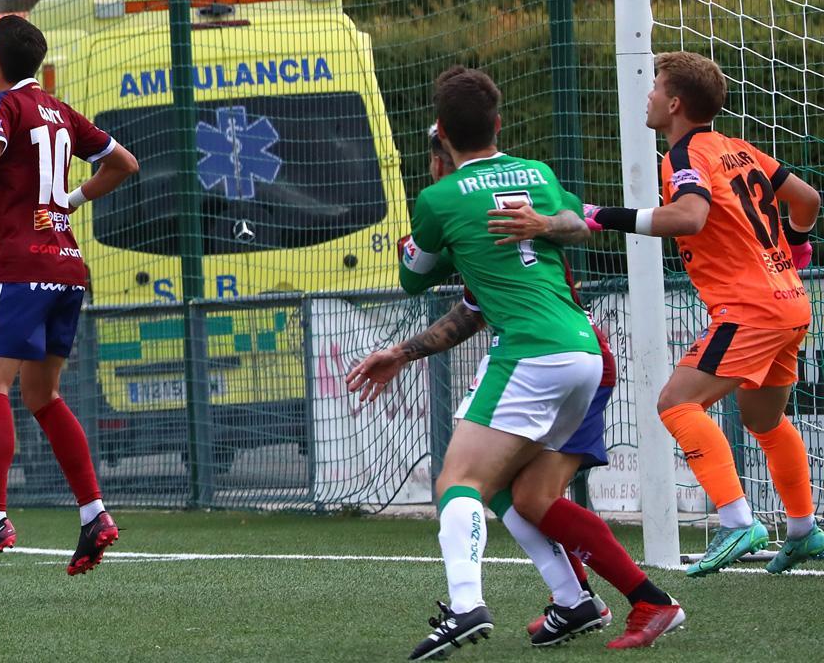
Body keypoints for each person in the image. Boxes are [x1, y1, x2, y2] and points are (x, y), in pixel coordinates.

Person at [351, 123, 683, 651]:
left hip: (548, 352)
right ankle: (583, 601)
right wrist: (403, 351)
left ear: (441, 155)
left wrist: (427, 235)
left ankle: (474, 605)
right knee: (522, 492)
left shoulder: (454, 203)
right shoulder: (524, 193)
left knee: (466, 482)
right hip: (577, 353)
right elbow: (472, 310)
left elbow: (417, 275)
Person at [491, 51, 821, 577]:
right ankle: (802, 530)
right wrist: (798, 249)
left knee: (675, 403)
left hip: (751, 308)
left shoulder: (686, 153)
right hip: (789, 302)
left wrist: (599, 217)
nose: (646, 97)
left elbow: (688, 218)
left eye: (654, 88)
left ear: (673, 103)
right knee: (764, 419)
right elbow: (807, 199)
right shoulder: (738, 148)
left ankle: (737, 521)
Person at [0, 14, 138, 576]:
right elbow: (124, 163)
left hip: (18, 268)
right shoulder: (58, 110)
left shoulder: (2, 106)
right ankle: (94, 514)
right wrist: (71, 201)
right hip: (66, 268)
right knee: (42, 396)